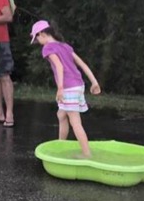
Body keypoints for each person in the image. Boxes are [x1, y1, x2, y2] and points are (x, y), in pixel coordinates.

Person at [31, 20, 101, 157]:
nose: (37, 41)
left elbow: (59, 66)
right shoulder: (65, 46)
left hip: (68, 88)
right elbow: (82, 64)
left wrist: (60, 88)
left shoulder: (47, 48)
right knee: (61, 115)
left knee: (75, 122)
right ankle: (61, 144)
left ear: (42, 34)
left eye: (37, 38)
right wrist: (94, 82)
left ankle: (87, 154)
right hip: (78, 85)